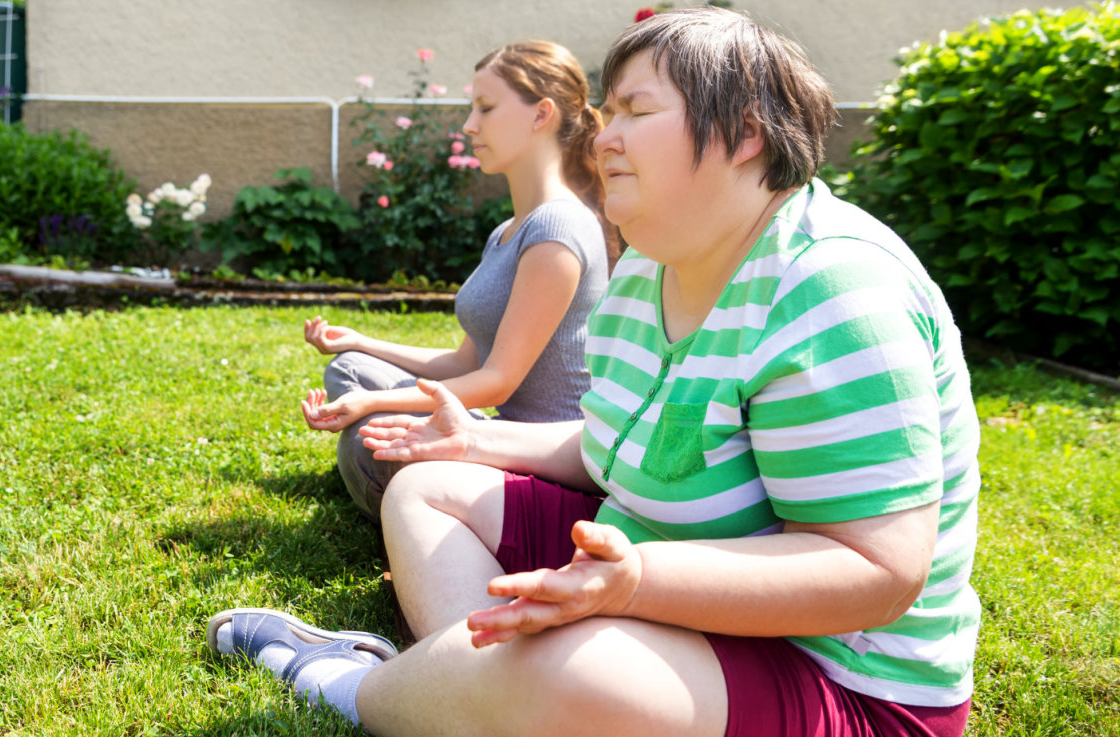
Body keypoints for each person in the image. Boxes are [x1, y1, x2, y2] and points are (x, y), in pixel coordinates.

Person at [211, 8, 981, 737]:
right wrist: (475, 445)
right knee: (425, 489)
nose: (604, 136)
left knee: (569, 669)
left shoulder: (833, 292)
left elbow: (875, 570)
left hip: (838, 680)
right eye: (607, 112)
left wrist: (637, 580)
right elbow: (620, 446)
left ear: (745, 134)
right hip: (645, 582)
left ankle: (353, 686)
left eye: (635, 111)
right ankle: (473, 691)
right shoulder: (649, 264)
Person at [300, 40, 612, 522]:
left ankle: (409, 491)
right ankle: (392, 466)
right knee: (352, 368)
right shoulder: (506, 231)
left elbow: (496, 384)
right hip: (483, 426)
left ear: (540, 114)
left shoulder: (559, 230)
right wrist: (364, 341)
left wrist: (375, 403)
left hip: (534, 460)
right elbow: (465, 361)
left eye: (485, 108)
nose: (469, 125)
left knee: (369, 429)